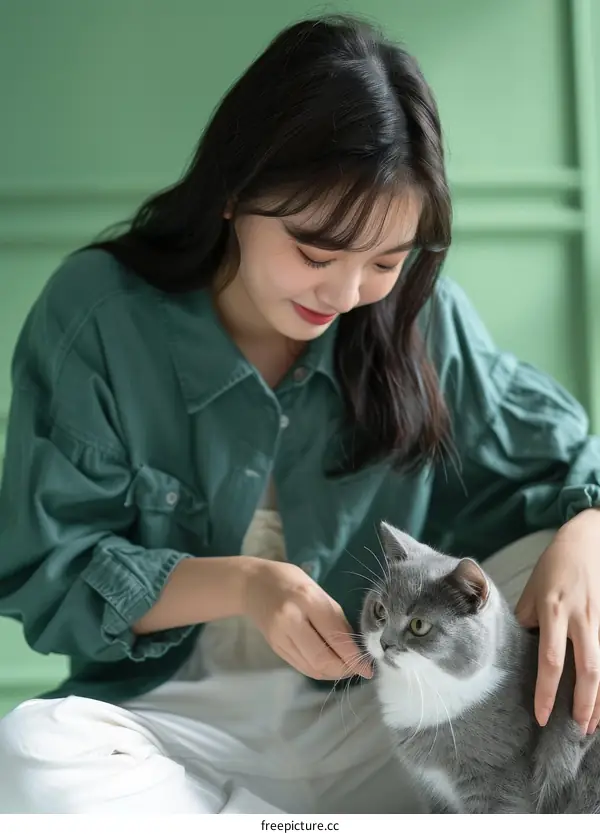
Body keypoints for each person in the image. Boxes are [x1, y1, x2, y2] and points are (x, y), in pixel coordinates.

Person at [0, 13, 599, 815]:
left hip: (386, 721)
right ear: (234, 195)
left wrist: (587, 539)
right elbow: (49, 565)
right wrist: (249, 586)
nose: (346, 294)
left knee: (571, 582)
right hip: (174, 723)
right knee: (34, 757)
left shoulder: (419, 323)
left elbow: (569, 465)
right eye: (316, 253)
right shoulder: (101, 316)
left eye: (386, 260)